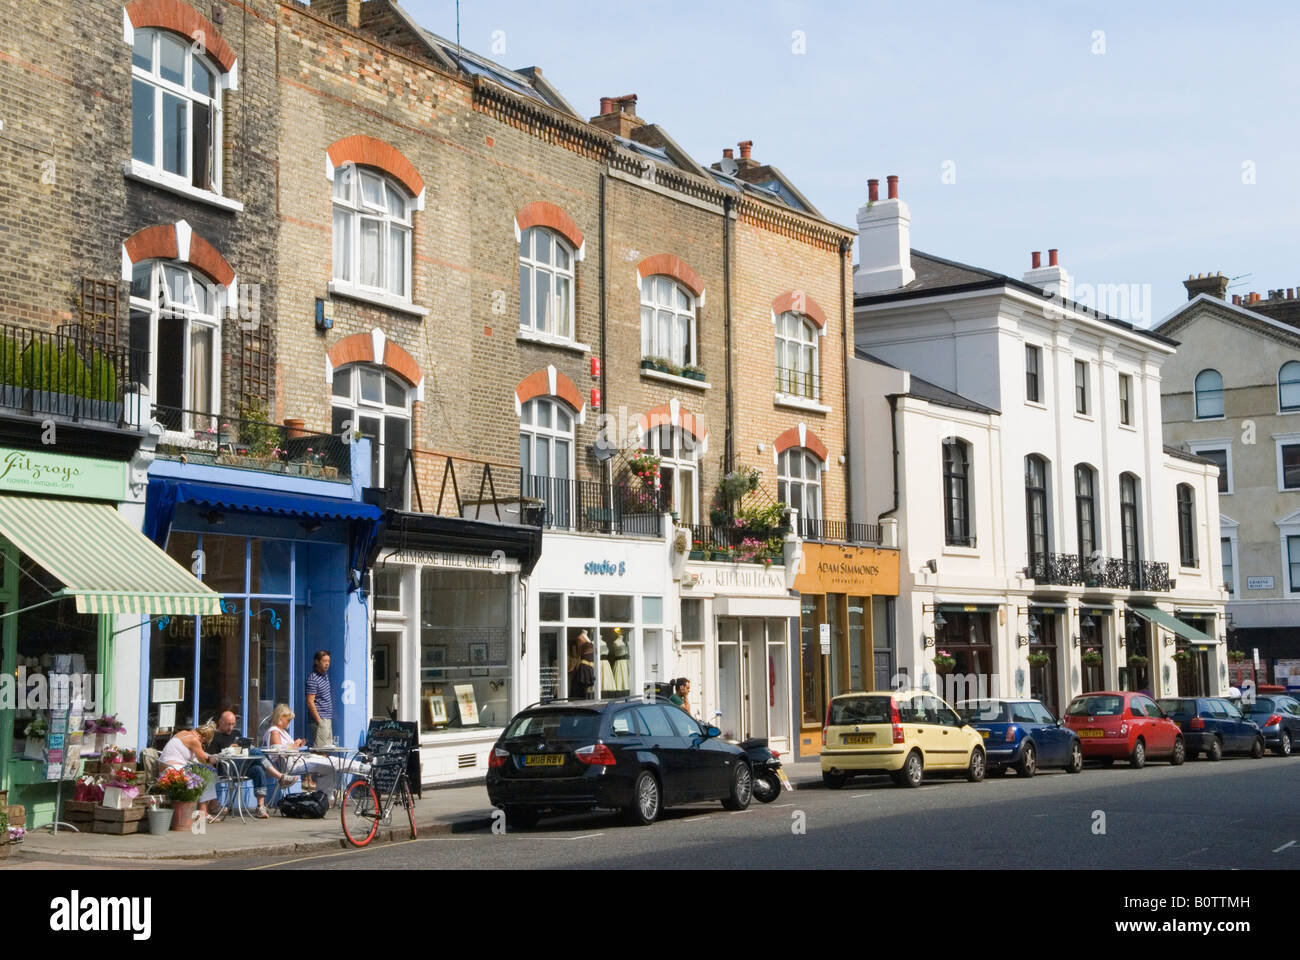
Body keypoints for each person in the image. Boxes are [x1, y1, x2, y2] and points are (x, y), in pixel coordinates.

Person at [210, 710, 297, 819]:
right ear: (220, 722)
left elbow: (243, 750)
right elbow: (212, 758)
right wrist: (229, 750)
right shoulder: (214, 736)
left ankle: (260, 807)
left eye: (233, 724)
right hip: (227, 768)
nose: (231, 728)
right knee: (255, 751)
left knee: (257, 769)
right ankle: (280, 777)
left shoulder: (236, 733)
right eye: (228, 724)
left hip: (242, 766)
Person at [264, 703, 366, 796]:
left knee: (329, 767)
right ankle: (362, 768)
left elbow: (284, 748)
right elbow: (277, 751)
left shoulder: (281, 731)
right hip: (291, 765)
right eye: (288, 719)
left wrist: (296, 745)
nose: (289, 722)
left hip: (297, 760)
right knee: (330, 761)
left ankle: (324, 798)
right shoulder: (274, 732)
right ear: (281, 718)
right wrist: (294, 745)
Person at [158, 721, 222, 823]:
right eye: (204, 742)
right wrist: (217, 757)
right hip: (173, 771)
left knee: (206, 774)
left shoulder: (182, 733)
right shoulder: (194, 740)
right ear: (204, 738)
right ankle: (204, 811)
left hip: (167, 769)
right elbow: (204, 760)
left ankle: (205, 810)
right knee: (208, 776)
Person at [305, 649, 334, 748]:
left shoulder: (325, 676)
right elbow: (310, 702)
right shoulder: (313, 679)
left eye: (328, 661)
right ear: (317, 662)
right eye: (324, 661)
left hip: (327, 718)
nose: (327, 664)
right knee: (321, 750)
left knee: (328, 748)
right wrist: (319, 721)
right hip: (320, 719)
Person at [568, 632, 595, 699]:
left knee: (590, 685)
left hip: (591, 665)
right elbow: (580, 653)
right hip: (585, 665)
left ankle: (589, 698)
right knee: (585, 685)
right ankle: (584, 698)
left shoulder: (587, 637)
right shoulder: (581, 637)